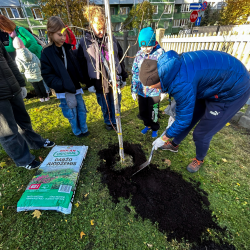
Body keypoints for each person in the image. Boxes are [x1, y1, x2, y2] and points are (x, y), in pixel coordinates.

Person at [139, 50, 250, 173]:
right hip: (210, 84)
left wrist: (163, 137)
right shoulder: (168, 67)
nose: (149, 89)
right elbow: (185, 115)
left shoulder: (181, 83)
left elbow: (182, 120)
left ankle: (199, 159)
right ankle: (174, 144)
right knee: (189, 116)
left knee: (201, 133)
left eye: (150, 86)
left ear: (158, 80)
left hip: (232, 89)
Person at [0, 41, 55, 170]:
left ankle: (36, 142)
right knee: (7, 130)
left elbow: (9, 62)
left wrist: (20, 82)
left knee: (24, 120)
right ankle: (23, 159)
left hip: (13, 88)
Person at [77, 5, 128, 131]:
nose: (102, 31)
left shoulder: (111, 39)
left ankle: (116, 119)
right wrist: (88, 83)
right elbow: (82, 63)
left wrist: (123, 75)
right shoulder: (85, 42)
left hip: (114, 78)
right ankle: (108, 121)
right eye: (99, 29)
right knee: (105, 104)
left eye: (104, 28)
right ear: (90, 26)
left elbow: (119, 57)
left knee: (116, 101)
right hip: (99, 81)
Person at [41, 16, 89, 137]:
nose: (63, 38)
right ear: (51, 33)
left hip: (76, 88)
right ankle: (77, 131)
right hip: (64, 90)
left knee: (82, 110)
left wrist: (84, 79)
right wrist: (63, 84)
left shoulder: (66, 48)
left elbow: (76, 66)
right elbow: (47, 75)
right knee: (71, 112)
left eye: (64, 34)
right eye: (59, 35)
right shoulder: (47, 53)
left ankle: (84, 129)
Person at [131, 27, 164, 138]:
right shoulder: (139, 55)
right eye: (143, 46)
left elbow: (165, 73)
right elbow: (135, 73)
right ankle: (147, 125)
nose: (146, 49)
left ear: (153, 43)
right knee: (143, 111)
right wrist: (134, 89)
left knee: (153, 112)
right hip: (142, 91)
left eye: (148, 46)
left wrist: (163, 89)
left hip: (154, 91)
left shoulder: (160, 55)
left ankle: (154, 127)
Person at [13, 37, 49, 102]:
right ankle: (46, 97)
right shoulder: (31, 53)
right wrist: (38, 67)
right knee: (41, 85)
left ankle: (41, 98)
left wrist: (23, 71)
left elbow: (20, 68)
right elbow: (38, 61)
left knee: (36, 87)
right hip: (37, 72)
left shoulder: (17, 57)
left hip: (29, 75)